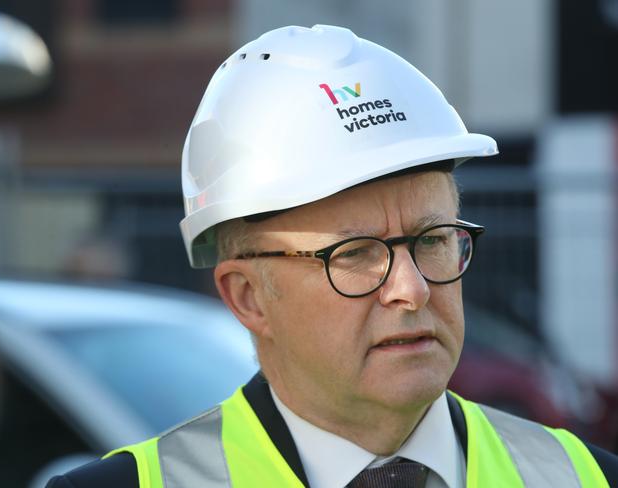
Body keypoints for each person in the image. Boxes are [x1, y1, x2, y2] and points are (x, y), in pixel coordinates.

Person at [47, 24, 618, 487]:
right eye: (357, 255)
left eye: (433, 240)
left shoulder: (587, 477)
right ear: (248, 297)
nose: (412, 289)